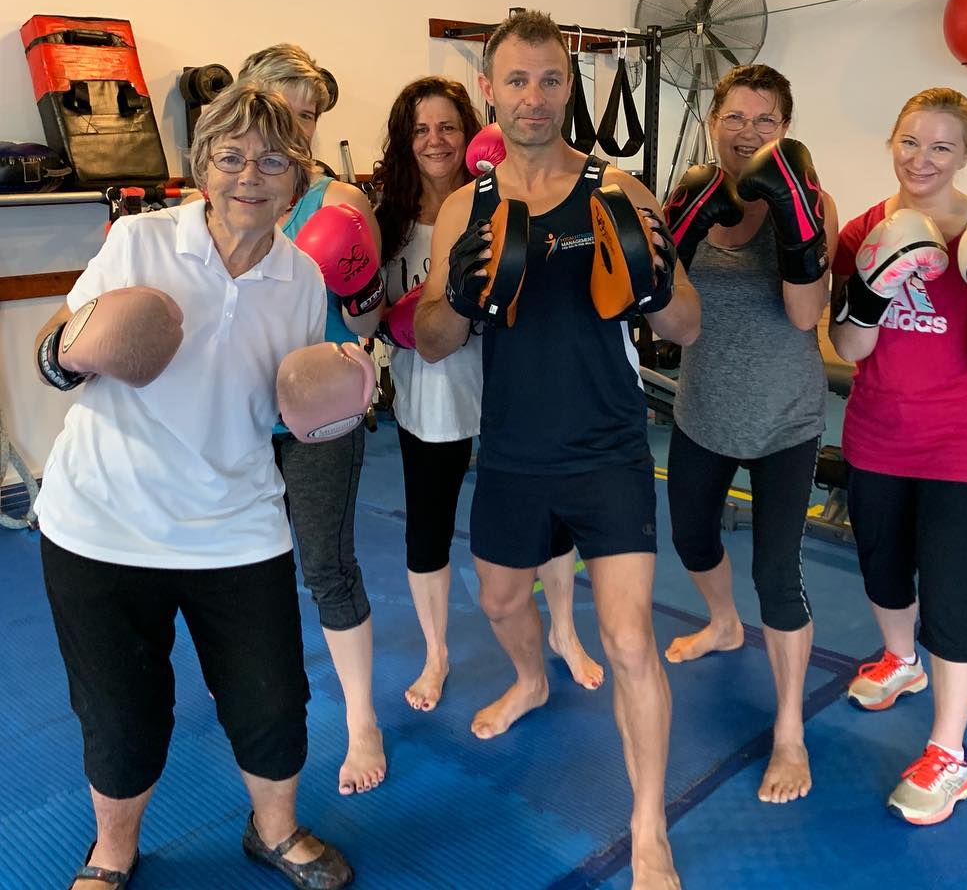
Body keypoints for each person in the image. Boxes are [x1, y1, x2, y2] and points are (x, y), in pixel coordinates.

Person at [35, 84, 355, 889]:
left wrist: (330, 403)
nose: (251, 173)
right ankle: (112, 851)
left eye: (274, 159)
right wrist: (72, 347)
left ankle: (274, 832)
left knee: (274, 700)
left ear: (297, 177)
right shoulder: (139, 242)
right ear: (202, 168)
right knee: (121, 712)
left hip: (236, 521)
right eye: (231, 154)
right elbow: (58, 343)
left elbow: (283, 410)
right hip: (104, 519)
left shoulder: (304, 279)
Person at [415, 11, 700, 890]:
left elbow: (687, 324)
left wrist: (651, 281)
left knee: (625, 641)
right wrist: (461, 294)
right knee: (501, 602)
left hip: (609, 445)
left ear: (567, 87)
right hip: (510, 449)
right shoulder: (470, 204)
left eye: (549, 80)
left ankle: (648, 826)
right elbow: (429, 337)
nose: (533, 96)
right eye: (516, 80)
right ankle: (533, 679)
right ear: (489, 91)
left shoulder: (622, 189)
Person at [829, 87, 967, 825]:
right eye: (911, 141)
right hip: (880, 434)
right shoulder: (862, 231)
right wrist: (872, 292)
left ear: (966, 157)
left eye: (942, 147)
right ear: (893, 140)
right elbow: (847, 346)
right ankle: (900, 661)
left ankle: (950, 754)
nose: (922, 159)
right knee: (882, 568)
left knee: (951, 596)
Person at [372, 75, 604, 712]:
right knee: (430, 520)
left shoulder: (506, 196)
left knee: (545, 516)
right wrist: (393, 316)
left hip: (511, 379)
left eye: (448, 126)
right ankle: (436, 653)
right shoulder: (385, 219)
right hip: (434, 383)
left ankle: (563, 629)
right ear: (404, 139)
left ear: (472, 131)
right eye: (420, 129)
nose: (436, 140)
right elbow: (367, 307)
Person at [660, 64, 839, 806]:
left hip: (786, 417)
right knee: (692, 540)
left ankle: (790, 730)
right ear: (713, 121)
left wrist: (798, 230)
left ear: (785, 131)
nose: (749, 133)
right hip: (703, 409)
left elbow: (806, 319)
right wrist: (670, 239)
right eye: (736, 117)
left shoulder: (813, 200)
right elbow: (657, 314)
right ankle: (724, 625)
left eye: (766, 121)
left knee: (778, 572)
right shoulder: (688, 195)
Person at [238, 44, 386, 795]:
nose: (298, 128)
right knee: (238, 564)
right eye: (284, 110)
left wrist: (357, 276)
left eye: (310, 115)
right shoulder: (221, 197)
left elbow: (369, 319)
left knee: (324, 561)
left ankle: (361, 720)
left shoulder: (339, 204)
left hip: (320, 412)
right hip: (234, 412)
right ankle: (253, 684)